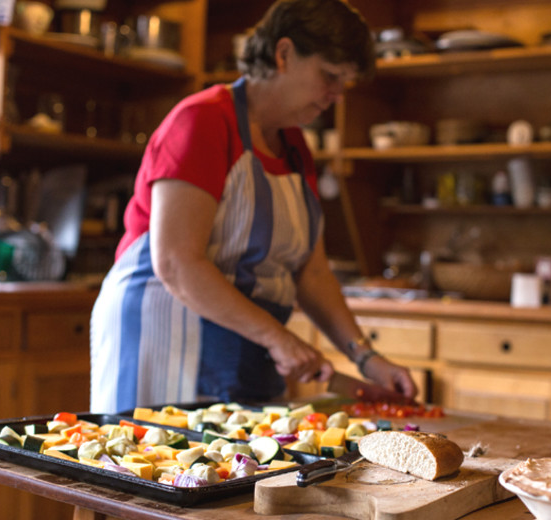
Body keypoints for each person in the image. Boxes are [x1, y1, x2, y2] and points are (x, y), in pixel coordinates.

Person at [90, 0, 418, 413]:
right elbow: (176, 262)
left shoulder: (296, 147)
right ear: (283, 54)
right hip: (163, 340)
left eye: (344, 84)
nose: (335, 96)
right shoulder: (202, 122)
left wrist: (366, 358)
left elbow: (312, 272)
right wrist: (278, 337)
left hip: (243, 344)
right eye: (329, 76)